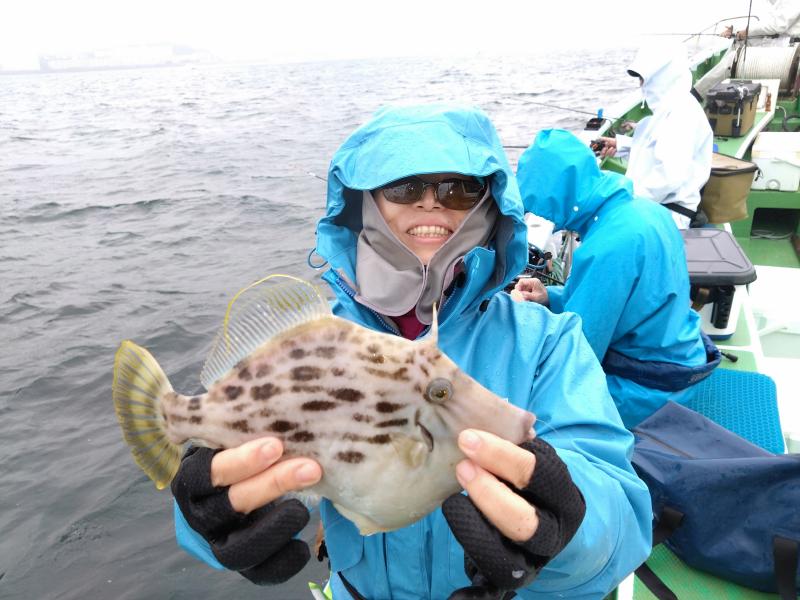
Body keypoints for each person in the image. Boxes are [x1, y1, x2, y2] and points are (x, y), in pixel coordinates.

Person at [169, 105, 652, 599]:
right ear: (364, 203)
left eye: (458, 188)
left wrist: (566, 527)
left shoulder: (547, 342)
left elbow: (621, 519)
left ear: (490, 205)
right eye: (402, 186)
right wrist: (208, 520)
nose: (429, 204)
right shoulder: (313, 343)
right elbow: (232, 497)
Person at [514, 128, 721, 429]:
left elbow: (580, 356)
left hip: (649, 389)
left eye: (546, 208)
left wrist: (522, 319)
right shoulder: (645, 211)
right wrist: (550, 297)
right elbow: (631, 300)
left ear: (561, 196)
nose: (552, 221)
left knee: (532, 418)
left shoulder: (606, 247)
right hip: (683, 354)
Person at [596, 43, 713, 229]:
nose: (641, 86)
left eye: (644, 80)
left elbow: (669, 177)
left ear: (662, 77)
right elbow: (657, 147)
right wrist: (622, 145)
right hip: (653, 207)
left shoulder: (682, 114)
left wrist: (623, 201)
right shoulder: (671, 107)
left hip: (666, 216)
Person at [721, 0, 800, 42]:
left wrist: (746, 32)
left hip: (791, 46)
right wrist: (735, 30)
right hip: (780, 41)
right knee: (739, 44)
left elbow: (777, 26)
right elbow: (764, 20)